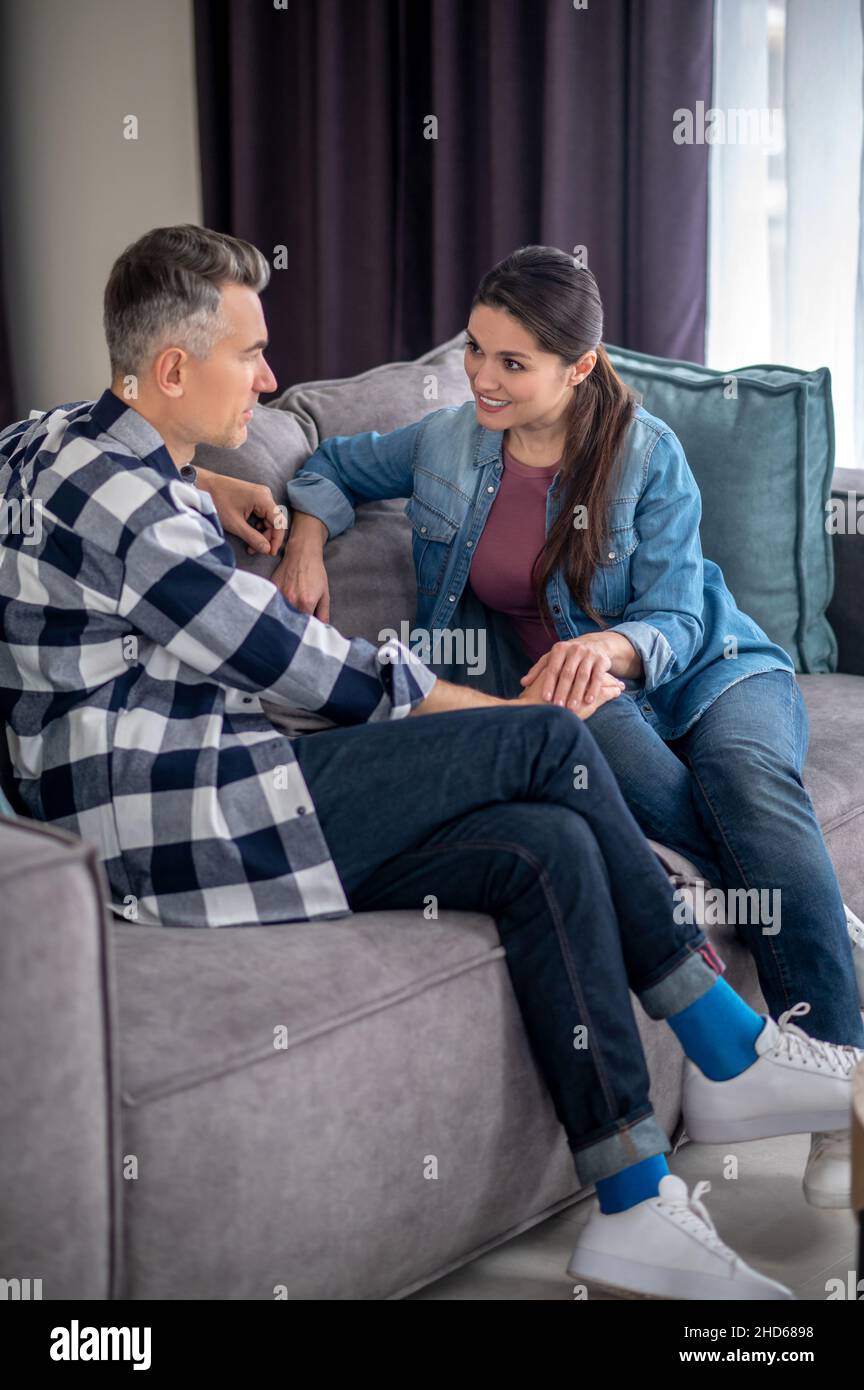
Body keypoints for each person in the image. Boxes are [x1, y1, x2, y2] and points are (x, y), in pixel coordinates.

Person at [0, 226, 859, 1301]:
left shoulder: (53, 445)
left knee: (538, 847)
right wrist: (485, 711)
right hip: (184, 817)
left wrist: (204, 483)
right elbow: (308, 671)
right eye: (250, 355)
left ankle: (634, 1201)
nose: (271, 381)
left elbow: (71, 462)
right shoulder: (137, 510)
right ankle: (727, 1044)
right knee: (546, 738)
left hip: (202, 783)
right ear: (171, 369)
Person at [275, 245, 864, 1218]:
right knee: (647, 778)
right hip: (586, 708)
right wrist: (304, 536)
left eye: (513, 362)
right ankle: (808, 906)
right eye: (476, 350)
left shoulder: (646, 454)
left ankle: (838, 1070)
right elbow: (328, 465)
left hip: (711, 670)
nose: (482, 378)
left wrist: (609, 651)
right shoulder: (449, 444)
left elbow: (678, 616)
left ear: (578, 368)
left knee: (751, 783)